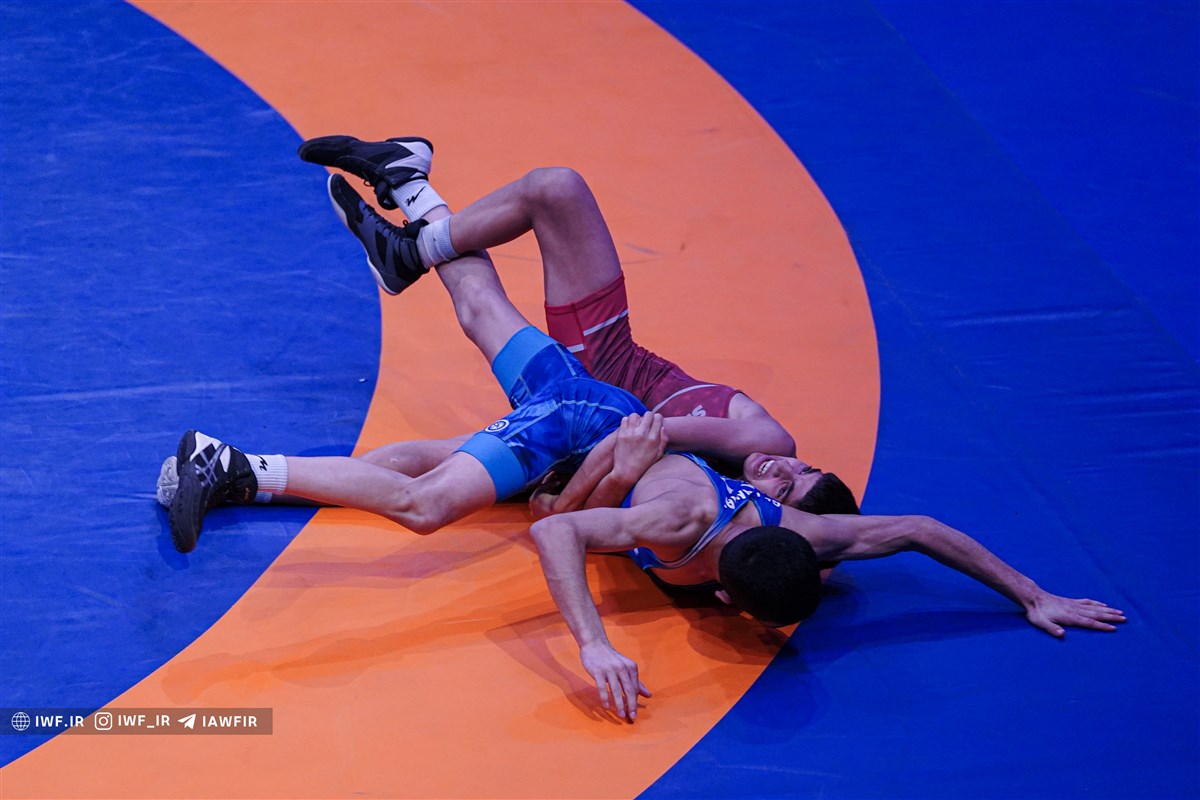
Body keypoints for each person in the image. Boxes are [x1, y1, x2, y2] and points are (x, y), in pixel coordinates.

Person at [166, 166, 1126, 723]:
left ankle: (415, 194)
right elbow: (556, 530)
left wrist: (1031, 595)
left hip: (596, 424)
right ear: (728, 598)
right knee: (428, 504)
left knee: (470, 348)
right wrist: (595, 645)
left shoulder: (807, 534)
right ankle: (228, 460)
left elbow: (918, 529)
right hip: (579, 423)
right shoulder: (682, 523)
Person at [295, 134, 859, 514]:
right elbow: (644, 432)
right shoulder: (770, 442)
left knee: (425, 455)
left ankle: (272, 481)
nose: (780, 468)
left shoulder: (703, 509)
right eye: (803, 468)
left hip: (574, 427)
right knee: (554, 190)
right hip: (607, 367)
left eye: (784, 487)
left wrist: (571, 491)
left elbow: (591, 504)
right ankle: (411, 225)